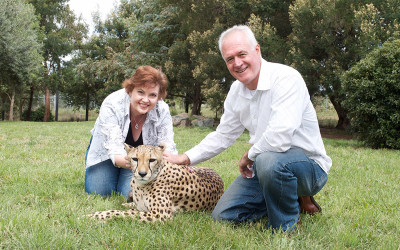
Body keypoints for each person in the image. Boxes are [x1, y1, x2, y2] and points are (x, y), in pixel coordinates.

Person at [163, 25, 332, 232]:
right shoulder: (236, 91)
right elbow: (223, 135)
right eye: (230, 59)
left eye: (242, 54)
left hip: (308, 168)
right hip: (265, 168)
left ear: (257, 50)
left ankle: (285, 225)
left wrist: (249, 155)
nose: (237, 63)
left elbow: (279, 137)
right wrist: (185, 158)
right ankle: (287, 197)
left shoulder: (287, 78)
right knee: (223, 216)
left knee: (269, 159)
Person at [85, 65, 177, 198]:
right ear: (130, 90)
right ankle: (110, 172)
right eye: (140, 92)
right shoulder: (112, 103)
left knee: (130, 194)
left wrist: (173, 165)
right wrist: (134, 162)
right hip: (108, 151)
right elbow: (115, 151)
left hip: (141, 160)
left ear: (159, 97)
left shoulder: (162, 109)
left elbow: (167, 145)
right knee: (99, 191)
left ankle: (123, 178)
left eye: (152, 95)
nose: (145, 100)